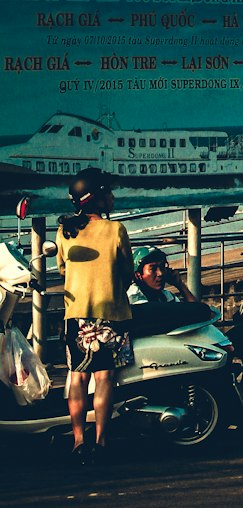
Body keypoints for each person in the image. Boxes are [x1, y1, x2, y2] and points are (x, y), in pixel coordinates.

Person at [56, 168, 134, 465]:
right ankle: (101, 441)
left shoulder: (65, 231)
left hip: (76, 314)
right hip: (111, 313)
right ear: (98, 199)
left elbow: (63, 269)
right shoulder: (116, 231)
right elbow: (127, 271)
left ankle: (78, 440)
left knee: (77, 377)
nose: (112, 197)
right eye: (109, 193)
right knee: (104, 377)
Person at [127, 246, 196, 306]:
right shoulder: (135, 298)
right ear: (138, 275)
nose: (160, 273)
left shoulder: (166, 296)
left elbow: (196, 312)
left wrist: (180, 285)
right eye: (153, 269)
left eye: (162, 267)